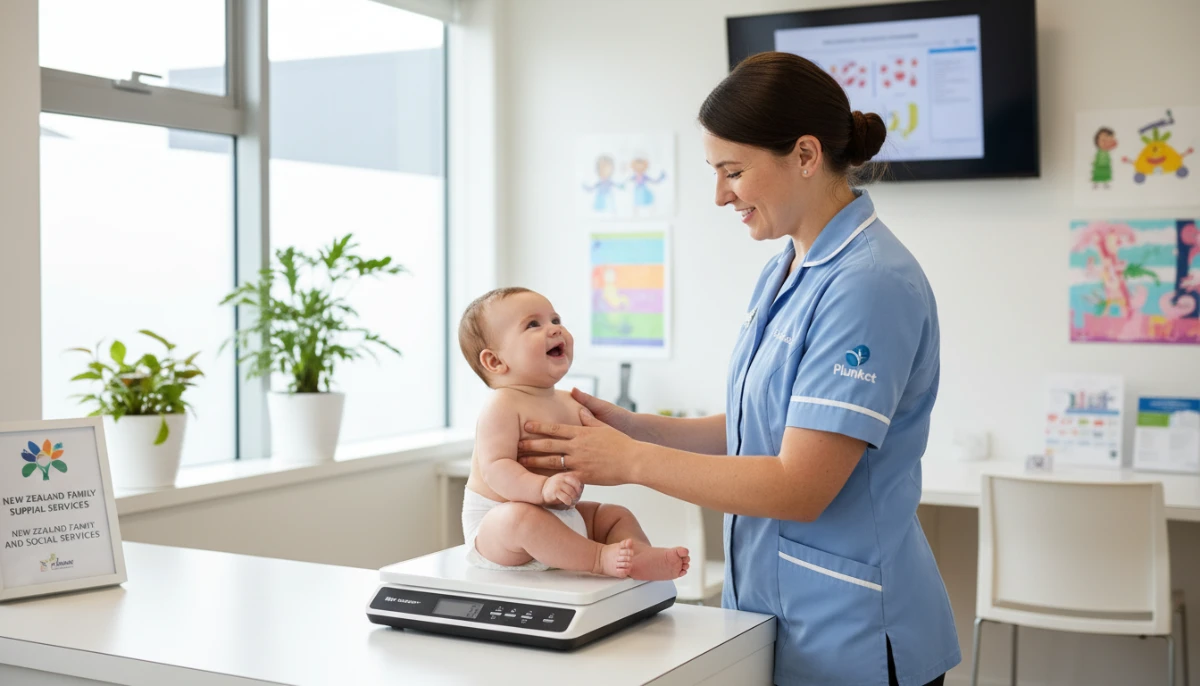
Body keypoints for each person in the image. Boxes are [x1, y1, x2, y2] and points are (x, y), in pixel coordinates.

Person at [517, 52, 959, 686]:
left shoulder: (868, 284)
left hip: (854, 630)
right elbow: (757, 430)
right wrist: (631, 427)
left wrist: (629, 462)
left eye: (733, 171)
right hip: (777, 616)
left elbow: (799, 485)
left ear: (805, 156)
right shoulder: (786, 270)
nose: (720, 194)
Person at [457, 286, 690, 580]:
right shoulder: (502, 404)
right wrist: (541, 489)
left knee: (614, 515)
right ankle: (598, 558)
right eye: (533, 324)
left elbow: (606, 447)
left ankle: (638, 555)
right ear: (495, 361)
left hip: (561, 516)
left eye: (556, 320)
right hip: (500, 529)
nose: (555, 330)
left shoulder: (570, 401)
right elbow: (496, 468)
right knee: (520, 517)